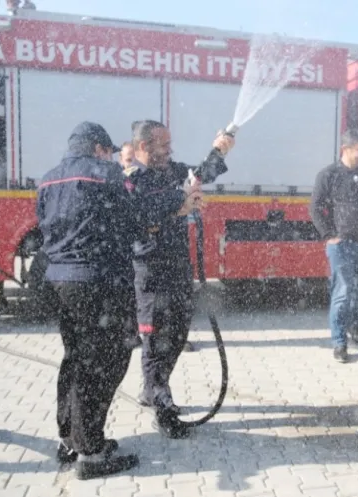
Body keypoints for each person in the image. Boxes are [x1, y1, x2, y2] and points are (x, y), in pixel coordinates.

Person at [36, 122, 140, 479]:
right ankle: (92, 453)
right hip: (99, 282)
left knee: (76, 358)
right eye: (107, 151)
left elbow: (43, 227)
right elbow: (134, 222)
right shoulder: (106, 174)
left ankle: (69, 437)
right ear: (98, 148)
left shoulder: (48, 178)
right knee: (104, 363)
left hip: (59, 282)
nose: (110, 157)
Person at [124, 120, 233, 437]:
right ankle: (163, 408)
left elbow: (201, 175)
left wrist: (219, 150)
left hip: (178, 267)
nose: (170, 150)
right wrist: (179, 205)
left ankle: (152, 389)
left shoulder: (171, 172)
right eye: (163, 145)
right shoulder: (133, 180)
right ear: (144, 147)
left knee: (178, 333)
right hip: (151, 270)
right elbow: (139, 215)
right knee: (156, 340)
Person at [310, 129, 358, 363]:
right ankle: (339, 342)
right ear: (346, 149)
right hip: (342, 245)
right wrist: (329, 234)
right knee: (342, 292)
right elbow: (315, 208)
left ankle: (354, 326)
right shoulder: (328, 175)